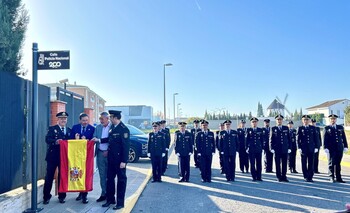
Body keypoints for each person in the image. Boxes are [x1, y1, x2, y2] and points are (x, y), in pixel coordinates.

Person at [103, 110, 130, 210]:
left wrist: (124, 161)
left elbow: (126, 146)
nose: (109, 119)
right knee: (109, 179)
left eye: (111, 117)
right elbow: (109, 139)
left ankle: (120, 203)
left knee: (121, 181)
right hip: (111, 159)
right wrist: (99, 140)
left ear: (115, 118)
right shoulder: (112, 128)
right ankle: (110, 199)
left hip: (120, 161)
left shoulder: (124, 129)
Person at [43, 112, 71, 204]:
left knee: (62, 177)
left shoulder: (69, 130)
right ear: (58, 120)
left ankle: (62, 196)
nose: (63, 120)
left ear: (67, 120)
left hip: (64, 158)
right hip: (53, 157)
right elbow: (47, 140)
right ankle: (46, 197)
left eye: (65, 118)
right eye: (61, 118)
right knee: (49, 177)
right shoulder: (52, 129)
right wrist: (56, 141)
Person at [70, 113, 95, 204]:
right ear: (80, 120)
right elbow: (70, 140)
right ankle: (80, 192)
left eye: (86, 120)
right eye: (83, 120)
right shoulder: (75, 127)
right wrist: (76, 139)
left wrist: (87, 141)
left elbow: (93, 141)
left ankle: (85, 195)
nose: (85, 122)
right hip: (76, 156)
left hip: (87, 157)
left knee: (86, 174)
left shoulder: (92, 129)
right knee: (77, 173)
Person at [91, 112, 111, 202]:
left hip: (109, 154)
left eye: (102, 119)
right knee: (102, 175)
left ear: (107, 118)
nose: (101, 120)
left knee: (110, 175)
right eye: (100, 119)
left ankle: (110, 194)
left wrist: (108, 150)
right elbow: (94, 136)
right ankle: (103, 194)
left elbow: (113, 141)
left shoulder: (112, 127)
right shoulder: (98, 127)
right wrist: (94, 139)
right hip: (100, 153)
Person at [323, 114, 348, 183]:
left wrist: (346, 146)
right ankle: (331, 176)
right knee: (331, 163)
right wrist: (325, 147)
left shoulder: (340, 127)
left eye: (334, 119)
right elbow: (325, 139)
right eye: (331, 119)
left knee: (338, 163)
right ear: (329, 120)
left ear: (336, 120)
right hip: (331, 148)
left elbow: (344, 138)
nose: (333, 120)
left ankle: (338, 177)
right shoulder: (327, 128)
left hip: (339, 148)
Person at [297, 115, 320, 182]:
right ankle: (305, 175)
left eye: (307, 120)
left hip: (311, 148)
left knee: (311, 162)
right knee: (304, 162)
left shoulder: (313, 128)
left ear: (309, 120)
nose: (306, 121)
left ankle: (310, 176)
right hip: (303, 148)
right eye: (304, 120)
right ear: (302, 121)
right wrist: (299, 147)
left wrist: (316, 147)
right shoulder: (300, 128)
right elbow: (298, 139)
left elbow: (316, 138)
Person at [270, 114, 291, 182]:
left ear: (282, 120)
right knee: (277, 163)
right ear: (276, 121)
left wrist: (289, 147)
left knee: (284, 163)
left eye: (280, 119)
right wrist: (271, 148)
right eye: (278, 119)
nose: (279, 121)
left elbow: (289, 138)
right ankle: (279, 176)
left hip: (284, 148)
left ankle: (284, 176)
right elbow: (271, 139)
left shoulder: (286, 128)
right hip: (277, 149)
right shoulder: (273, 128)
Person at [246, 117, 264, 181]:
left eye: (255, 122)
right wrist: (247, 147)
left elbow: (262, 139)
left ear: (257, 123)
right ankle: (254, 176)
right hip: (251, 149)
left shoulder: (260, 130)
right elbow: (247, 140)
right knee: (252, 163)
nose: (254, 123)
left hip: (258, 149)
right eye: (253, 122)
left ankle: (259, 176)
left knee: (259, 163)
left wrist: (262, 148)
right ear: (251, 123)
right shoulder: (248, 130)